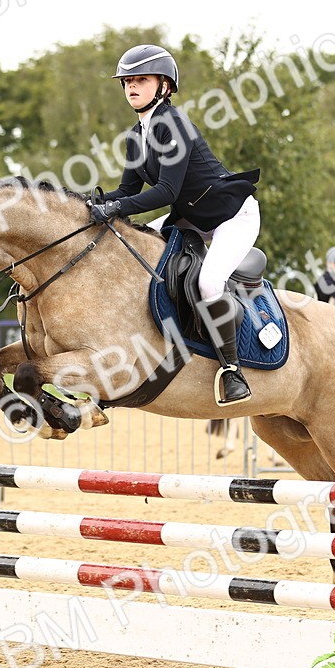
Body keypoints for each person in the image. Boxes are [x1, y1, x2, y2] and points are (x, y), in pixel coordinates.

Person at [88, 44, 261, 406]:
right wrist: (91, 203)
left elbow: (166, 191)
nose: (131, 87)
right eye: (127, 82)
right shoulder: (136, 135)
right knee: (138, 247)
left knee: (210, 280)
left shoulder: (174, 125)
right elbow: (127, 190)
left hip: (232, 216)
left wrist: (116, 206)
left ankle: (232, 371)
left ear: (164, 85)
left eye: (141, 80)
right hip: (191, 217)